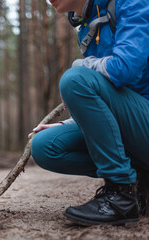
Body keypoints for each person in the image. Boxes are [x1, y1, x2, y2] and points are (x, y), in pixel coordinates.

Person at [30, 0, 149, 225]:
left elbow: (124, 69)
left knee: (74, 79)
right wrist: (72, 123)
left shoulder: (132, 3)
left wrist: (80, 67)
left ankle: (121, 195)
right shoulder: (87, 21)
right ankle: (140, 182)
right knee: (45, 146)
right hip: (135, 122)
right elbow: (110, 94)